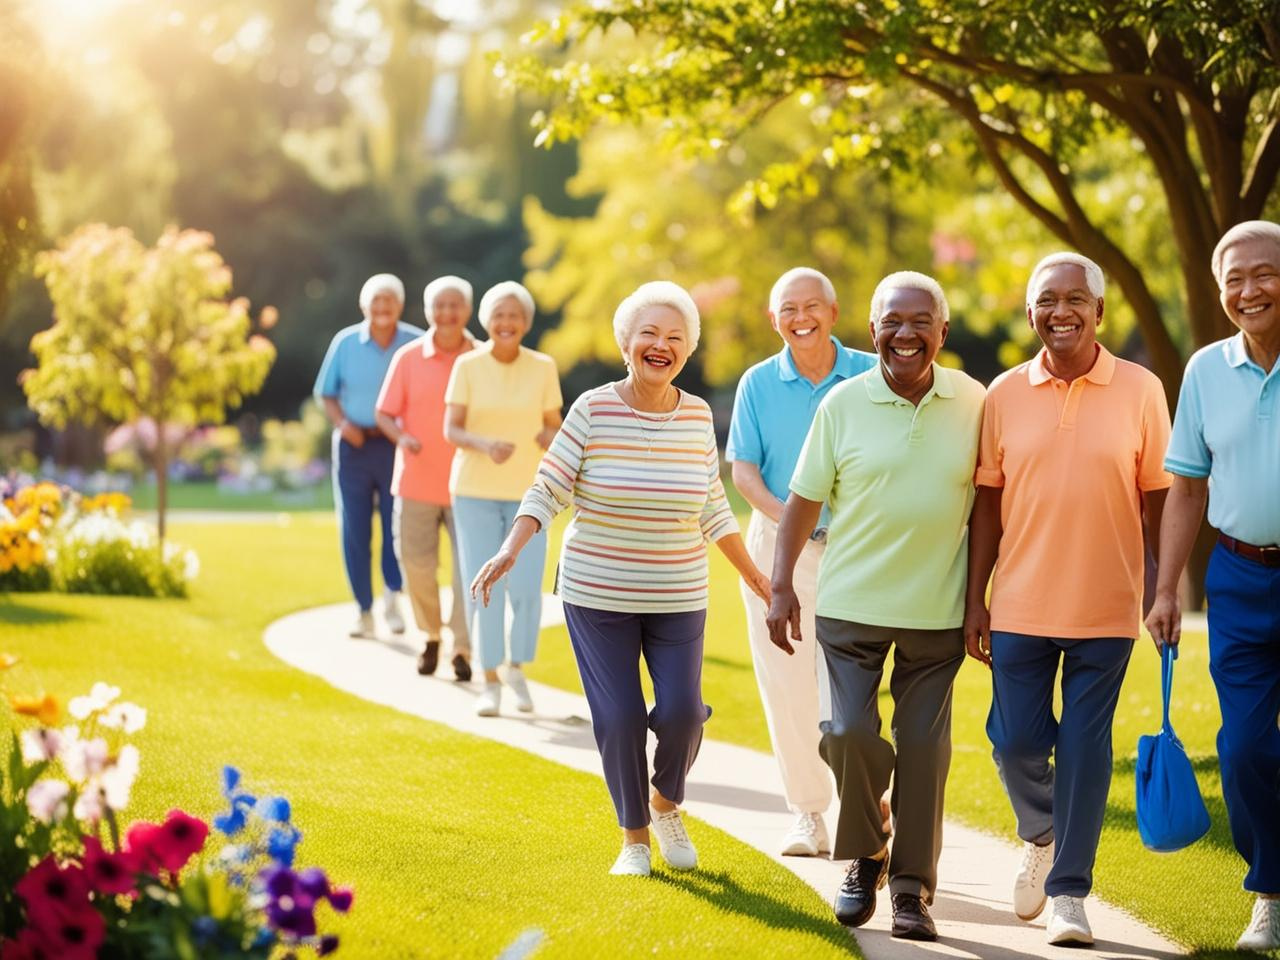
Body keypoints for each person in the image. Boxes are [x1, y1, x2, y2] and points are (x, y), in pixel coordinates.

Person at [469, 281, 771, 877]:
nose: (662, 345)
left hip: (678, 592)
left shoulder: (697, 415)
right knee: (621, 718)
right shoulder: (592, 408)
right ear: (626, 343)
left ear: (687, 351)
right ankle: (634, 839)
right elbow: (548, 486)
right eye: (650, 335)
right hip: (597, 591)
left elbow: (712, 505)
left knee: (683, 713)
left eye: (675, 338)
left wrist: (757, 575)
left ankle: (665, 804)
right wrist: (511, 547)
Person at [767, 271, 984, 941]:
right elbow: (803, 498)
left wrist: (980, 600)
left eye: (922, 321)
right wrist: (779, 586)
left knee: (923, 749)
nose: (906, 333)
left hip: (938, 611)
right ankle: (867, 853)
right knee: (847, 735)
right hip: (851, 605)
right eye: (893, 320)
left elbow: (996, 505)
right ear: (872, 331)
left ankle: (913, 890)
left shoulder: (977, 403)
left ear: (943, 333)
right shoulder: (842, 404)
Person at [965, 252, 1171, 947]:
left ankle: (1070, 894)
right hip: (1019, 599)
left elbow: (1160, 498)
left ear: (1099, 312)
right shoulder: (1002, 394)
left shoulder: (1142, 390)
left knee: (1084, 748)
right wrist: (976, 600)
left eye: (1075, 299)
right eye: (1047, 300)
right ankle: (1044, 831)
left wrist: (1164, 587)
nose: (1061, 311)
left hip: (1108, 604)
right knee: (1014, 739)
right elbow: (987, 505)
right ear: (1030, 315)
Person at [1146, 219, 1280, 953]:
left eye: (1263, 274)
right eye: (1234, 279)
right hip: (1235, 577)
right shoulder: (1203, 370)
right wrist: (1168, 591)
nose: (1248, 290)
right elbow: (1186, 489)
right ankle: (1270, 889)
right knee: (1243, 749)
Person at [727, 267, 876, 857]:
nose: (800, 317)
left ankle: (866, 804)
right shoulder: (757, 384)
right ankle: (808, 815)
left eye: (812, 306)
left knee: (850, 685)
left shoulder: (869, 372)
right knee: (787, 684)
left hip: (859, 549)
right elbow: (744, 474)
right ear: (773, 319)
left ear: (834, 313)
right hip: (777, 551)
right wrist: (799, 521)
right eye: (788, 309)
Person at [444, 281, 563, 716]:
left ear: (526, 322)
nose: (506, 322)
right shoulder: (468, 366)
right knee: (483, 586)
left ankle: (516, 671)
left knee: (528, 588)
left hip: (532, 496)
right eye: (499, 315)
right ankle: (489, 678)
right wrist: (484, 444)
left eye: (514, 315)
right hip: (474, 492)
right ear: (487, 321)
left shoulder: (543, 367)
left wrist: (546, 435)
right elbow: (451, 429)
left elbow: (557, 428)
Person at [375, 276, 476, 681]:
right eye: (439, 305)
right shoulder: (408, 357)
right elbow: (384, 413)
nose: (447, 313)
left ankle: (463, 648)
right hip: (416, 481)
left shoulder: (481, 358)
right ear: (428, 310)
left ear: (467, 311)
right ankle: (432, 635)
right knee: (416, 565)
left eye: (455, 305)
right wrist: (404, 437)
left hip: (469, 484)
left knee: (467, 571)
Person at [314, 273, 424, 639]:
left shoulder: (415, 342)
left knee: (396, 527)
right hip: (354, 444)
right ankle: (363, 610)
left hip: (396, 445)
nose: (382, 308)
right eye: (375, 301)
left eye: (388, 301)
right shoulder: (345, 343)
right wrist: (343, 424)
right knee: (355, 529)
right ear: (365, 306)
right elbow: (326, 393)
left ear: (399, 305)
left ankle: (392, 598)